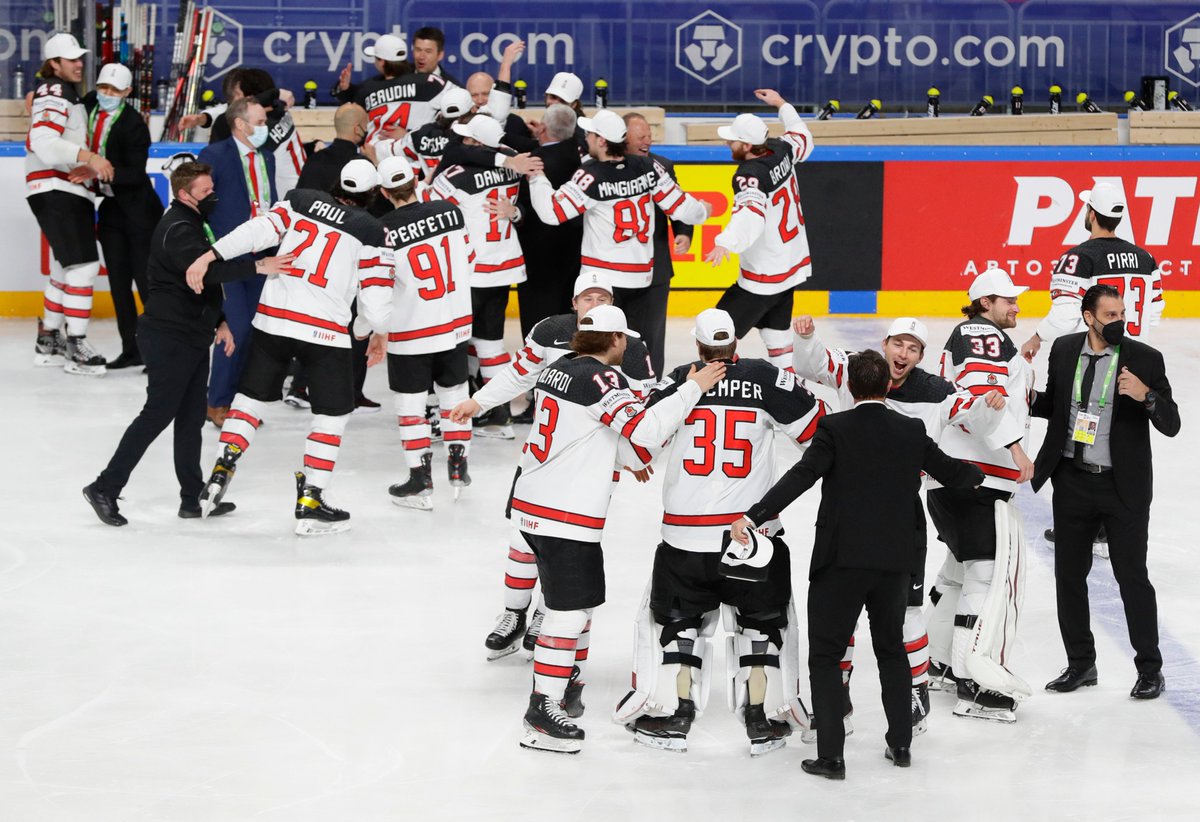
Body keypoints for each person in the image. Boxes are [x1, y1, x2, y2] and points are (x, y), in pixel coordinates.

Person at [731, 350, 985, 780]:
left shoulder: (835, 427)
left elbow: (801, 477)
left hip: (841, 561)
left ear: (850, 386)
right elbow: (952, 472)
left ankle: (831, 756)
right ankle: (900, 744)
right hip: (894, 562)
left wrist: (754, 515)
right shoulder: (911, 429)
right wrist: (982, 476)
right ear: (887, 385)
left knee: (827, 656)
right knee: (892, 650)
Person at [511, 304, 725, 754]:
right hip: (563, 515)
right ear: (615, 341)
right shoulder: (601, 379)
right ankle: (541, 712)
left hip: (533, 503)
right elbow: (645, 429)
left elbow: (585, 431)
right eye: (624, 338)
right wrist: (691, 388)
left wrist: (626, 459)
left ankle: (562, 681)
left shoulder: (561, 369)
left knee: (577, 607)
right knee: (569, 614)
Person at [614, 308, 827, 756]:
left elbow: (638, 444)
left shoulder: (678, 381)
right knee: (760, 626)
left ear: (697, 345)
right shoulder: (765, 378)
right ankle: (759, 719)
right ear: (736, 343)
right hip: (752, 535)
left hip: (685, 538)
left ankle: (678, 715)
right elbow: (817, 432)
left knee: (681, 624)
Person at [791, 314, 1009, 734]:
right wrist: (807, 338)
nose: (902, 354)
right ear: (885, 344)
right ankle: (839, 701)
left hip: (900, 516)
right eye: (898, 344)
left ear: (920, 357)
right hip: (849, 512)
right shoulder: (861, 371)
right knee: (844, 616)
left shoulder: (938, 391)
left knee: (905, 612)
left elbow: (972, 415)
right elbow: (814, 363)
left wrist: (989, 406)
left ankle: (916, 693)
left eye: (912, 348)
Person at [450, 272, 655, 659]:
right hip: (541, 460)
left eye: (603, 298)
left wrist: (632, 455)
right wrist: (480, 401)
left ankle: (547, 611)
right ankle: (513, 614)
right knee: (522, 539)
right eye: (588, 298)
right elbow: (517, 375)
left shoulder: (629, 343)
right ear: (574, 303)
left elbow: (640, 409)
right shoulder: (548, 332)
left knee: (566, 546)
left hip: (591, 466)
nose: (595, 304)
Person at [187, 159, 393, 535]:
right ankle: (311, 499)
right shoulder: (372, 230)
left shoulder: (299, 201)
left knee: (248, 398)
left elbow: (253, 232)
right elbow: (378, 308)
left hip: (273, 320)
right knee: (331, 416)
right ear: (373, 193)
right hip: (325, 332)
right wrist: (369, 331)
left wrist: (211, 254)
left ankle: (220, 469)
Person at [82, 163, 291, 525]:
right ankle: (104, 487)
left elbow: (202, 285)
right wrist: (258, 267)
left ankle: (191, 498)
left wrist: (221, 322)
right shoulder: (177, 228)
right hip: (168, 337)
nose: (214, 196)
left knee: (191, 418)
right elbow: (204, 272)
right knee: (157, 414)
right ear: (184, 194)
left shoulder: (191, 222)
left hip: (191, 335)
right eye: (206, 191)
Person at [1031, 284, 1180, 700]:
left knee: (1131, 577)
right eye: (1110, 316)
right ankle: (1081, 664)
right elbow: (1056, 406)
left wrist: (1146, 396)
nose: (1119, 322)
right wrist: (1024, 397)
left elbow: (1172, 422)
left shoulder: (1145, 359)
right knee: (1069, 577)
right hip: (1073, 480)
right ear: (1089, 317)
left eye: (1122, 314)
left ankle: (1150, 669)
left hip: (1122, 487)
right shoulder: (1063, 351)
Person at [1021, 183, 1166, 551]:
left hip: (1095, 361)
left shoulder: (1078, 258)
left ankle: (1086, 522)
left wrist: (1037, 338)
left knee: (1079, 441)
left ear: (1090, 212)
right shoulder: (1145, 258)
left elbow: (1065, 312)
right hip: (1134, 359)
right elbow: (1158, 307)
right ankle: (1109, 523)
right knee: (1120, 440)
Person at [926, 269, 1036, 723]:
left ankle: (939, 661)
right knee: (987, 579)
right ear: (986, 301)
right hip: (978, 481)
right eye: (1009, 300)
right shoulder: (979, 333)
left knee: (958, 574)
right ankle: (976, 685)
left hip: (954, 481)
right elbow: (979, 397)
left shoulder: (987, 338)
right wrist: (1016, 448)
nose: (1016, 308)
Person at [527, 110, 710, 334]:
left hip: (601, 279)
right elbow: (687, 210)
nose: (586, 138)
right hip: (641, 278)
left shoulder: (591, 176)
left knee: (597, 347)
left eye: (591, 134)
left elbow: (551, 213)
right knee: (633, 347)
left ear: (602, 141)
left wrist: (537, 178)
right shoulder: (649, 167)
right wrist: (704, 210)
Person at [375, 156, 476, 510]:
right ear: (416, 181)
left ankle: (420, 480)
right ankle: (458, 465)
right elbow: (470, 257)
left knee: (411, 407)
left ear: (384, 191)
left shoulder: (382, 228)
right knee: (454, 398)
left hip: (410, 330)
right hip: (454, 325)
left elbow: (380, 286)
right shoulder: (450, 211)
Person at [427, 114, 527, 439]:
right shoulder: (513, 166)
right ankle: (499, 415)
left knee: (453, 342)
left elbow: (429, 208)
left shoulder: (456, 176)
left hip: (470, 270)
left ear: (475, 143)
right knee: (490, 341)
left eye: (467, 138)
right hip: (504, 266)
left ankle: (452, 415)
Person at [704, 89, 814, 373]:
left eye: (733, 140)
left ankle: (712, 391)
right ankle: (792, 388)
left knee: (714, 334)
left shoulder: (749, 175)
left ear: (748, 145)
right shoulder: (781, 148)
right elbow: (803, 137)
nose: (728, 142)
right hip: (789, 267)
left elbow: (752, 213)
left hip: (763, 277)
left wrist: (725, 242)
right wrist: (782, 104)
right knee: (776, 334)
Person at [28, 32, 110, 375]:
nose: (79, 64)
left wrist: (85, 162)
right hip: (56, 188)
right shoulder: (54, 90)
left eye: (80, 58)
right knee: (84, 267)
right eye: (71, 59)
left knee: (66, 266)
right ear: (54, 64)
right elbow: (42, 140)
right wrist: (89, 155)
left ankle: (49, 339)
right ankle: (76, 342)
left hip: (60, 187)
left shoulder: (62, 92)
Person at [286, 103, 376, 412]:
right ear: (357, 130)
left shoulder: (316, 160)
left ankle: (300, 385)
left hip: (313, 255)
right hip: (349, 254)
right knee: (353, 323)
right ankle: (350, 391)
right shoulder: (363, 164)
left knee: (314, 320)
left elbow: (299, 204)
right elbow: (374, 213)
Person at [75, 62, 164, 370]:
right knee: (118, 284)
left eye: (114, 90)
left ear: (127, 92)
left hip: (140, 212)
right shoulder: (89, 103)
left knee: (145, 283)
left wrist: (98, 170)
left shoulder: (133, 124)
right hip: (112, 210)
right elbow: (72, 100)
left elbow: (135, 173)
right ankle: (132, 349)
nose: (106, 94)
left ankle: (158, 352)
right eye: (103, 88)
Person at [198, 97, 278, 427]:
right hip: (228, 256)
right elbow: (199, 203)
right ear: (240, 125)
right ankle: (217, 401)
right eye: (259, 122)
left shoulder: (267, 157)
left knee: (257, 332)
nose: (265, 128)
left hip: (264, 256)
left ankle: (241, 401)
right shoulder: (214, 155)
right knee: (235, 328)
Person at [622, 113, 694, 377]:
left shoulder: (663, 166)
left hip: (655, 270)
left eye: (649, 136)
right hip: (613, 271)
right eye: (640, 137)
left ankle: (651, 393)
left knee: (651, 339)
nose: (647, 141)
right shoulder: (603, 168)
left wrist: (684, 232)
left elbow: (680, 206)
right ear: (623, 137)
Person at [512, 104, 583, 339]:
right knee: (569, 322)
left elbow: (523, 208)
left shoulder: (532, 162)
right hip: (574, 254)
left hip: (538, 258)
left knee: (538, 328)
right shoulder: (582, 158)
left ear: (542, 127)